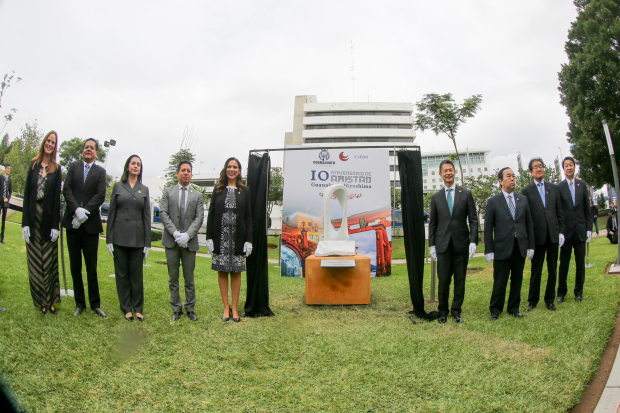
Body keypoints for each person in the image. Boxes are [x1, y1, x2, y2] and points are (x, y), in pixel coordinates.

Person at [62, 138, 107, 318]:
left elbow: (100, 195)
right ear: (83, 151)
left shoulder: (100, 172)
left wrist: (85, 212)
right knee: (75, 266)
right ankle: (80, 303)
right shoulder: (73, 167)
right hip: (72, 224)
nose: (89, 150)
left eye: (92, 148)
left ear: (96, 153)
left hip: (90, 227)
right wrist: (76, 210)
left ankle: (95, 304)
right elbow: (67, 189)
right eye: (86, 147)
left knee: (91, 267)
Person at [429, 159, 478, 324]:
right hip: (442, 245)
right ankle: (442, 311)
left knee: (460, 279)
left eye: (451, 170)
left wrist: (473, 241)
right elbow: (433, 224)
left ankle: (456, 311)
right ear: (440, 174)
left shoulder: (466, 194)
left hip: (461, 243)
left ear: (454, 172)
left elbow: (473, 219)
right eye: (445, 170)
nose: (448, 173)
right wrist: (432, 246)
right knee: (443, 281)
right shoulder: (436, 198)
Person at [484, 167, 535, 321]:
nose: (512, 178)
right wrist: (488, 249)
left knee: (517, 279)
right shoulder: (493, 201)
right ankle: (495, 309)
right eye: (508, 176)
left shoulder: (522, 199)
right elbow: (488, 228)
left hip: (519, 246)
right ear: (501, 181)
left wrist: (531, 245)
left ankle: (514, 307)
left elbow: (529, 223)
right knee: (500, 280)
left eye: (513, 176)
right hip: (502, 248)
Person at [206, 157, 253, 323]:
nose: (231, 169)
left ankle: (234, 308)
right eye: (229, 166)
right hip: (220, 237)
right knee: (222, 271)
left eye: (235, 167)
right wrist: (209, 238)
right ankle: (226, 307)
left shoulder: (245, 191)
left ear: (239, 171)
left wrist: (249, 240)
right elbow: (211, 214)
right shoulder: (218, 189)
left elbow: (248, 217)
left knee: (236, 272)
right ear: (225, 169)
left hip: (238, 237)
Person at [21, 131, 62, 314]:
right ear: (43, 142)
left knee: (49, 262)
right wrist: (25, 223)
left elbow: (56, 199)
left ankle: (51, 300)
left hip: (48, 219)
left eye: (53, 142)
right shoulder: (34, 165)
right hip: (33, 217)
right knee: (36, 263)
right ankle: (41, 302)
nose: (50, 144)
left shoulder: (57, 168)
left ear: (55, 146)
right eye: (48, 140)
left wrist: (56, 226)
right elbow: (27, 195)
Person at [106, 155, 151, 321]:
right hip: (119, 237)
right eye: (133, 163)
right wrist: (109, 239)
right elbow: (111, 213)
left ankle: (138, 308)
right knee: (122, 274)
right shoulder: (118, 186)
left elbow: (146, 216)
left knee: (136, 275)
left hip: (137, 238)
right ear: (127, 167)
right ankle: (126, 308)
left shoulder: (144, 189)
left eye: (139, 164)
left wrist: (147, 243)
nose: (136, 166)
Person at [160, 160, 204, 321]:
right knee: (173, 278)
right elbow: (163, 213)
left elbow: (199, 217)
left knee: (189, 278)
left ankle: (190, 308)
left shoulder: (197, 195)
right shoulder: (168, 192)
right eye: (183, 170)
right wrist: (175, 233)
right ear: (177, 173)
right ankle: (176, 308)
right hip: (171, 242)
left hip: (189, 243)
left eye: (188, 170)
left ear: (191, 174)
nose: (186, 172)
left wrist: (187, 235)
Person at [521, 158, 565, 312]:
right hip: (537, 237)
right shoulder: (526, 191)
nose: (539, 169)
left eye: (541, 166)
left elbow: (560, 212)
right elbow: (526, 217)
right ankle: (532, 301)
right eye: (536, 167)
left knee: (553, 269)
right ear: (531, 172)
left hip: (553, 235)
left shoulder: (554, 188)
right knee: (536, 270)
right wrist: (529, 241)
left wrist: (561, 232)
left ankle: (550, 300)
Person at [557, 156, 592, 303]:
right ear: (563, 169)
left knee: (580, 263)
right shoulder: (559, 188)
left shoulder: (582, 185)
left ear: (574, 167)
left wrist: (589, 228)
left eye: (571, 165)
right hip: (566, 233)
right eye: (566, 165)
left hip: (580, 231)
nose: (569, 167)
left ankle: (579, 292)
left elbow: (586, 209)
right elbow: (558, 211)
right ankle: (561, 293)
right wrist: (560, 231)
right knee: (563, 264)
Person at [0, 164, 12, 244]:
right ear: (5, 169)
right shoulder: (1, 177)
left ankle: (2, 238)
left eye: (10, 169)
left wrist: (8, 198)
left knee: (4, 219)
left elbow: (10, 191)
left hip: (5, 202)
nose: (9, 170)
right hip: (0, 201)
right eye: (8, 169)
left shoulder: (9, 180)